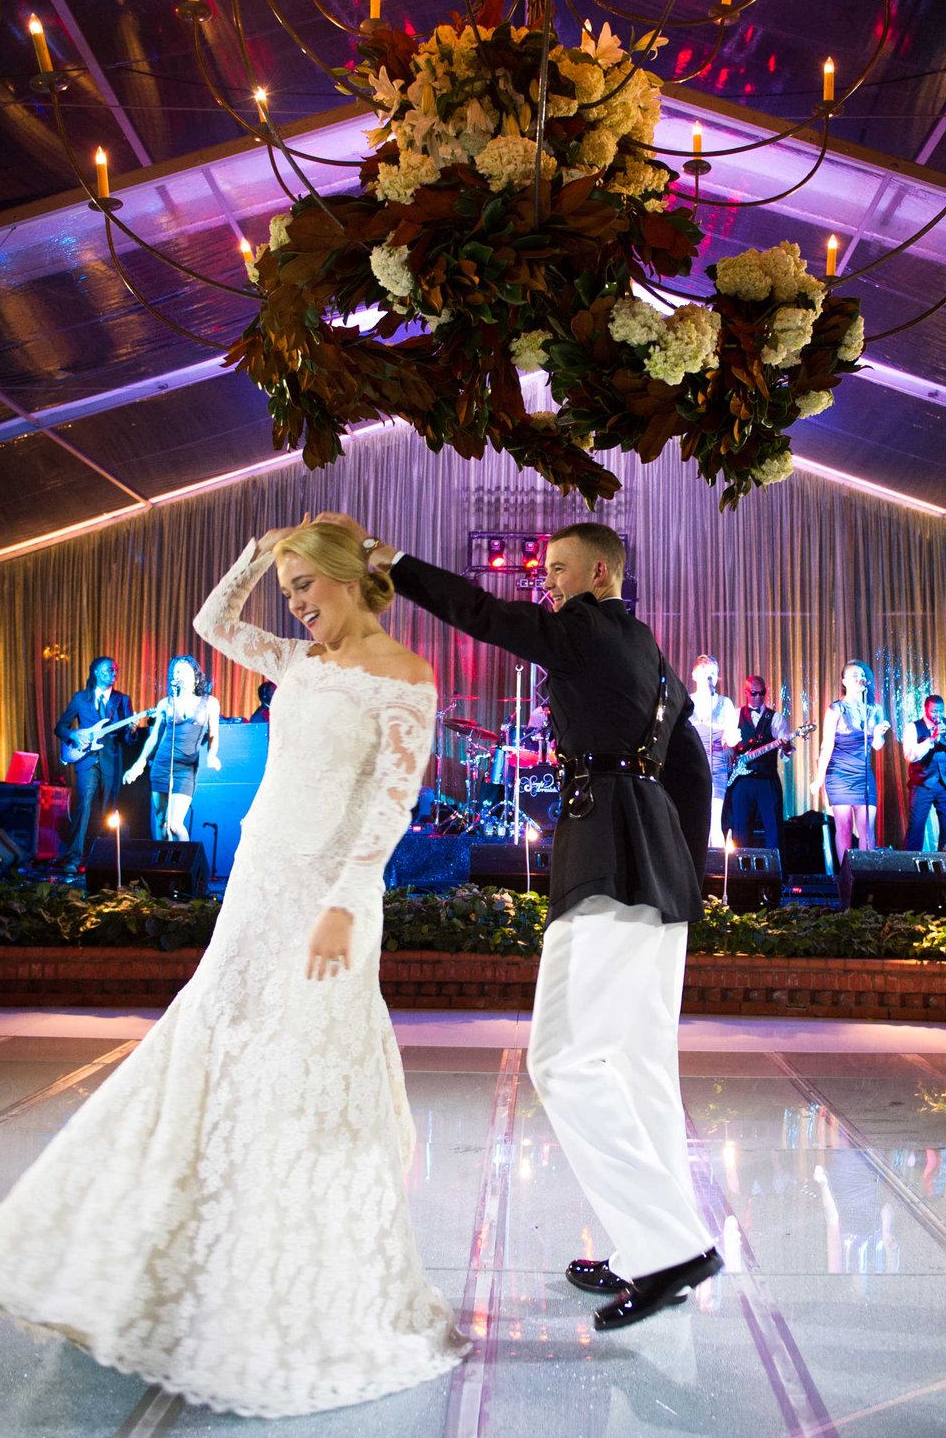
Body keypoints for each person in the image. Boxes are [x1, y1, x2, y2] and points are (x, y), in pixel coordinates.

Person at [0, 519, 467, 1415]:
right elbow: (211, 625)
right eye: (290, 589)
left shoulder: (405, 679)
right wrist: (255, 557)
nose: (296, 605)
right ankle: (177, 1261)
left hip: (328, 899)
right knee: (216, 1050)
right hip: (259, 884)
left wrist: (344, 902)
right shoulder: (297, 663)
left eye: (307, 586)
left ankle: (288, 1290)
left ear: (350, 580)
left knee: (297, 1075)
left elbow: (389, 804)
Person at [325, 511, 722, 1332]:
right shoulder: (650, 653)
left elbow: (482, 613)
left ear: (602, 576)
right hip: (661, 874)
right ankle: (648, 1244)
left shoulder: (581, 631)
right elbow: (691, 769)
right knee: (641, 1065)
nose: (548, 584)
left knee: (564, 1059)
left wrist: (388, 560)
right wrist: (685, 870)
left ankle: (671, 1246)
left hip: (607, 857)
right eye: (547, 573)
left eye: (561, 570)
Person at [123, 654, 221, 841]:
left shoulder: (210, 703)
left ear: (195, 675)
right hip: (161, 765)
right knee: (161, 821)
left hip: (186, 768)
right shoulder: (166, 703)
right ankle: (164, 866)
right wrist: (139, 764)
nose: (179, 674)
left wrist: (212, 755)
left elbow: (213, 734)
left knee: (175, 824)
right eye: (176, 671)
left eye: (183, 670)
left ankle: (185, 868)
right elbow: (153, 739)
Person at [54, 656, 135, 875]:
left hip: (111, 760)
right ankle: (73, 858)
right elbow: (60, 727)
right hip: (86, 760)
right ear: (98, 673)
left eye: (116, 671)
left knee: (108, 810)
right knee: (84, 806)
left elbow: (127, 740)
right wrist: (73, 735)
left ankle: (102, 858)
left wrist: (132, 731)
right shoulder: (81, 698)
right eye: (110, 670)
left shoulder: (123, 700)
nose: (114, 674)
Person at [810, 660, 889, 859]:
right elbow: (827, 745)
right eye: (853, 675)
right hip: (839, 774)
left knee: (867, 830)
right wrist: (819, 779)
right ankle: (846, 877)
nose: (858, 678)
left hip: (862, 774)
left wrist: (878, 733)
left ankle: (866, 875)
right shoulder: (836, 709)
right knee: (844, 827)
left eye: (861, 675)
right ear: (844, 681)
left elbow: (877, 746)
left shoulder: (875, 710)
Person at [721, 675, 791, 853]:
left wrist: (786, 747)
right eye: (754, 693)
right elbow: (725, 739)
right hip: (741, 783)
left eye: (762, 693)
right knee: (740, 830)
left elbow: (786, 753)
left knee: (773, 830)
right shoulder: (735, 715)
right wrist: (726, 746)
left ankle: (776, 876)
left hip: (767, 780)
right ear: (746, 692)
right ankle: (741, 877)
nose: (758, 697)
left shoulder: (776, 718)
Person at [901, 694, 946, 852]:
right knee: (916, 829)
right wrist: (931, 739)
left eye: (940, 711)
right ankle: (910, 871)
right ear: (925, 710)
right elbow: (910, 756)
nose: (938, 715)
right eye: (933, 711)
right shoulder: (913, 727)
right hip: (922, 786)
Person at [689, 655, 740, 846]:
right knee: (696, 819)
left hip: (716, 764)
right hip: (693, 764)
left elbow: (731, 734)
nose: (709, 678)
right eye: (705, 673)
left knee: (714, 821)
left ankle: (717, 871)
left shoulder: (724, 703)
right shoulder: (688, 702)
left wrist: (729, 742)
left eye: (713, 674)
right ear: (695, 675)